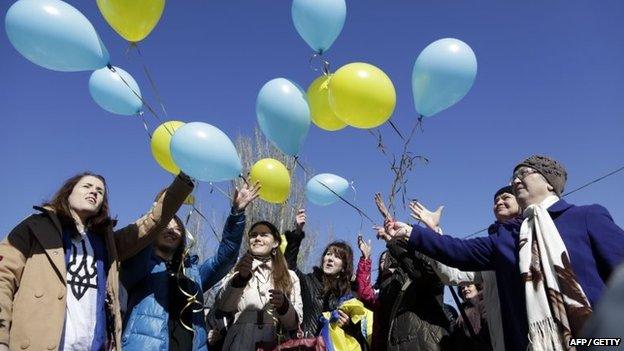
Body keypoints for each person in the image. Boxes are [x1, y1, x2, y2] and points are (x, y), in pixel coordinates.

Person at [384, 155, 624, 351]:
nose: (516, 179)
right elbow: (458, 251)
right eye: (514, 176)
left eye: (525, 172)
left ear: (550, 182)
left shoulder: (586, 217)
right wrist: (410, 233)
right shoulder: (509, 237)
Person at [0, 172, 193, 350]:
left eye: (100, 191)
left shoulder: (107, 243)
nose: (94, 191)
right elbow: (3, 277)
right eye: (87, 186)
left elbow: (150, 223)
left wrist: (183, 180)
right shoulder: (35, 227)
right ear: (68, 192)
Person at [120, 182, 260, 350]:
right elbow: (141, 237)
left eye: (177, 228)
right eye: (166, 225)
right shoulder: (140, 266)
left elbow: (226, 257)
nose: (172, 230)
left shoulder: (193, 274)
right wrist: (158, 211)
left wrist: (237, 212)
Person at [410, 185, 521, 351]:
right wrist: (433, 231)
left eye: (506, 197)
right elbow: (454, 274)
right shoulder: (489, 251)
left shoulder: (536, 233)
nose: (499, 202)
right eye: (496, 200)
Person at [285, 209, 371, 350]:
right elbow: (290, 266)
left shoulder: (347, 297)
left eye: (337, 257)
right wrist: (297, 233)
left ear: (344, 267)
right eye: (328, 254)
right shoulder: (309, 282)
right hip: (306, 346)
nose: (330, 258)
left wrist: (348, 326)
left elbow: (358, 337)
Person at [356, 234, 454, 351]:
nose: (385, 263)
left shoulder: (415, 282)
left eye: (389, 258)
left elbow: (424, 270)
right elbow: (365, 294)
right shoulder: (382, 293)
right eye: (381, 260)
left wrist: (394, 239)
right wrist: (366, 259)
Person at [215, 220, 303, 350]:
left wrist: (284, 305)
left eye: (264, 234)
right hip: (239, 341)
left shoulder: (290, 276)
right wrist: (240, 279)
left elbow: (295, 323)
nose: (257, 238)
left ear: (275, 243)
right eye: (253, 235)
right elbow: (223, 306)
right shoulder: (236, 270)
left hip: (275, 342)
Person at [450, 284, 492, 351]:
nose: (465, 289)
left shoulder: (489, 301)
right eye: (463, 288)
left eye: (469, 286)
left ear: (477, 288)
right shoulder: (460, 318)